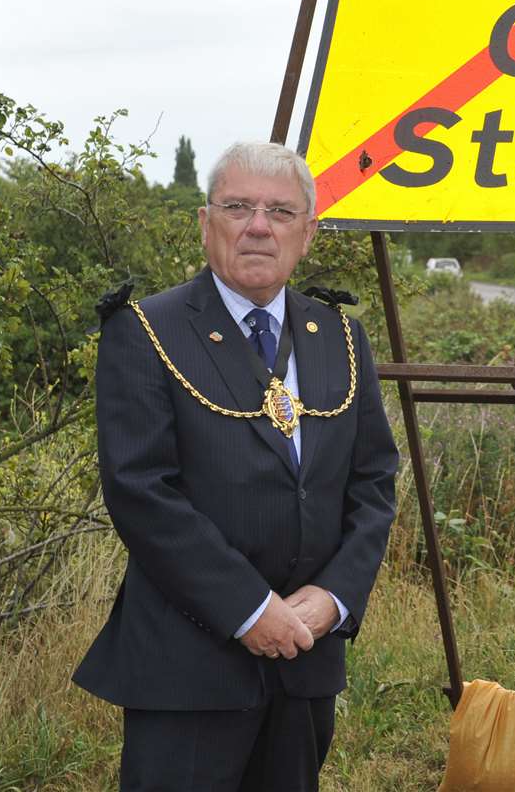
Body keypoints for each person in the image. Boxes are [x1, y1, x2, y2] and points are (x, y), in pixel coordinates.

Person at [75, 141, 399, 792]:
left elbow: (373, 481)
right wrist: (251, 611)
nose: (258, 226)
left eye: (280, 212)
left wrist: (333, 600)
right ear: (205, 222)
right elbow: (142, 492)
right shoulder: (146, 330)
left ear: (306, 234)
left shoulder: (338, 335)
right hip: (188, 665)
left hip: (307, 655)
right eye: (238, 207)